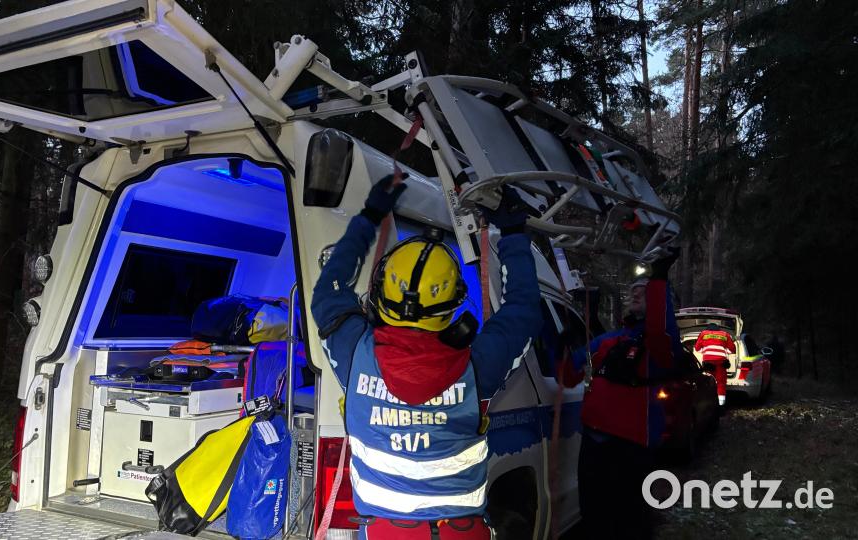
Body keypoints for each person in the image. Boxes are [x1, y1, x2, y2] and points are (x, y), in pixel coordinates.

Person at [311, 175, 544, 539]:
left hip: (384, 533)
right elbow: (525, 308)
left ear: (380, 292)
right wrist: (512, 231)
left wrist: (369, 217)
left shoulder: (353, 350)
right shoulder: (478, 364)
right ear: (454, 306)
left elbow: (330, 289)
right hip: (461, 532)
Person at [559, 250, 685, 540]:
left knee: (629, 521)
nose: (636, 293)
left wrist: (659, 279)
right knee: (594, 516)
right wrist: (562, 345)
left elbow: (661, 330)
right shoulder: (607, 340)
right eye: (634, 290)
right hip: (593, 443)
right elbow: (568, 375)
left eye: (645, 291)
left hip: (631, 447)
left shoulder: (660, 346)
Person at [694, 322, 736, 406]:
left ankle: (708, 404)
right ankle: (721, 405)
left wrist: (705, 349)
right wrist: (725, 351)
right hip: (721, 362)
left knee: (708, 383)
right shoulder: (725, 334)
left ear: (707, 329)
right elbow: (733, 350)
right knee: (721, 384)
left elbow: (697, 348)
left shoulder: (703, 334)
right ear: (719, 329)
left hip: (708, 363)